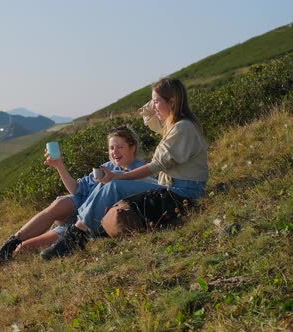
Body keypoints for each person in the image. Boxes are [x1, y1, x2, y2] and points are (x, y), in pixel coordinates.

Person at [0, 126, 148, 283]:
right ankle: (7, 245)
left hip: (83, 224)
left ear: (132, 147)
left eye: (119, 147)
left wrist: (116, 179)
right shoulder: (105, 167)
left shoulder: (141, 170)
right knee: (60, 203)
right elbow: (77, 189)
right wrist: (59, 166)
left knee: (23, 250)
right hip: (74, 211)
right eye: (111, 147)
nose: (115, 152)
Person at [39, 77, 209, 260]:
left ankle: (74, 237)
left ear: (172, 101)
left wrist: (118, 178)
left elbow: (154, 167)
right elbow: (149, 120)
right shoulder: (175, 125)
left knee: (114, 185)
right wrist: (154, 104)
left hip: (183, 193)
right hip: (172, 187)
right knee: (112, 183)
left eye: (156, 101)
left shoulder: (182, 128)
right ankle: (78, 231)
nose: (153, 105)